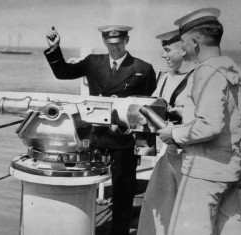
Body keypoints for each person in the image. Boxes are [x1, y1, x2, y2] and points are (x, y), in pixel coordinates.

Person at [44, 25, 157, 235]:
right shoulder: (93, 63)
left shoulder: (143, 68)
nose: (115, 48)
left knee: (123, 193)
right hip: (95, 137)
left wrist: (141, 142)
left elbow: (146, 106)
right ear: (104, 42)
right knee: (81, 184)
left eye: (119, 43)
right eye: (110, 44)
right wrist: (55, 49)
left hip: (123, 140)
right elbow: (63, 73)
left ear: (127, 40)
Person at [157, 8, 241, 235]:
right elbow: (228, 117)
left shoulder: (205, 71)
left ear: (195, 42)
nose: (185, 49)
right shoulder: (233, 68)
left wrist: (174, 134)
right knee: (231, 227)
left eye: (185, 43)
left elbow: (210, 125)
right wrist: (185, 114)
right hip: (230, 168)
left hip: (203, 171)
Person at [137, 29, 196, 235]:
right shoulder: (163, 77)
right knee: (156, 205)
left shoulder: (202, 78)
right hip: (169, 151)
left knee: (189, 212)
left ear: (185, 49)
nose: (163, 55)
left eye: (168, 49)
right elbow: (152, 105)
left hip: (193, 155)